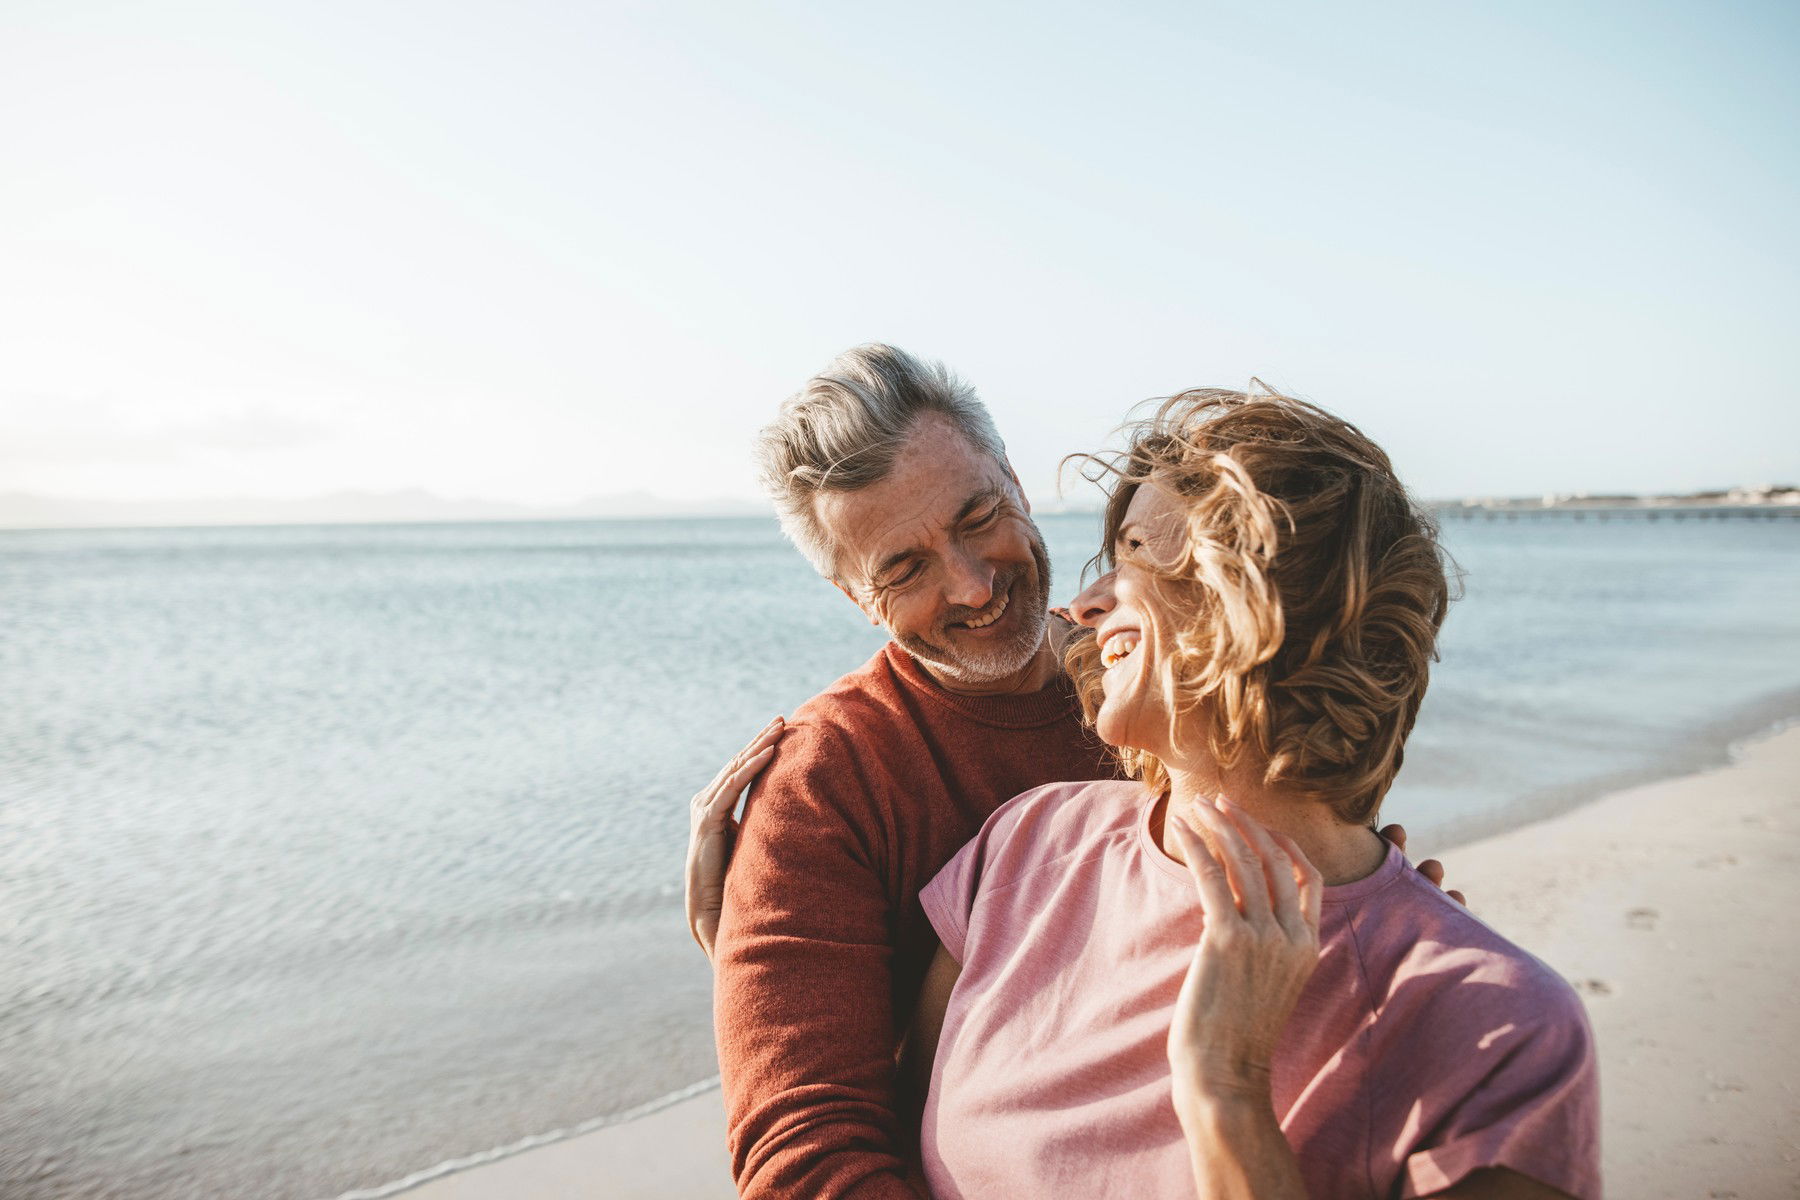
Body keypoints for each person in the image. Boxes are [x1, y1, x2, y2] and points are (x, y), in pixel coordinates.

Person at [686, 346, 1453, 1199]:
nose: (973, 586)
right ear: (852, 595)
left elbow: (1323, 856)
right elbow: (802, 1153)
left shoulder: (1175, 682)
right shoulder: (819, 787)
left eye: (978, 516)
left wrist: (1392, 943)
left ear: (1013, 478)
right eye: (903, 569)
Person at [907, 387, 1599, 1198]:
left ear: (1260, 601)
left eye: (1138, 557)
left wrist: (1227, 1089)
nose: (1087, 605)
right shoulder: (1025, 848)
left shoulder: (1496, 1030)